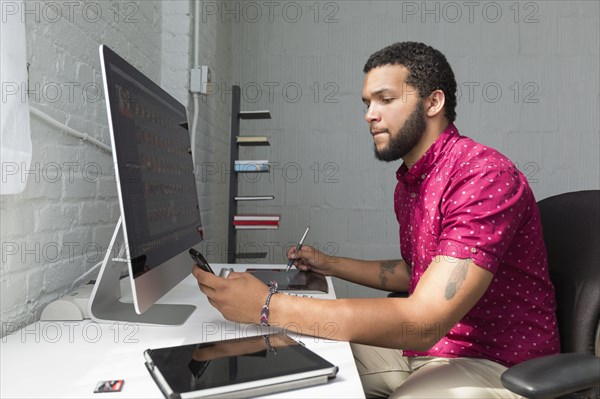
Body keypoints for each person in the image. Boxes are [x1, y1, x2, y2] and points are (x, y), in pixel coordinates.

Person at [192, 41, 560, 398]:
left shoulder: (482, 174)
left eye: (385, 100)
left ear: (434, 101)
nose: (370, 114)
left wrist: (266, 305)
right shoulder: (411, 182)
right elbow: (417, 272)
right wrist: (329, 264)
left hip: (495, 362)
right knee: (282, 362)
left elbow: (423, 321)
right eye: (367, 103)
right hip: (425, 353)